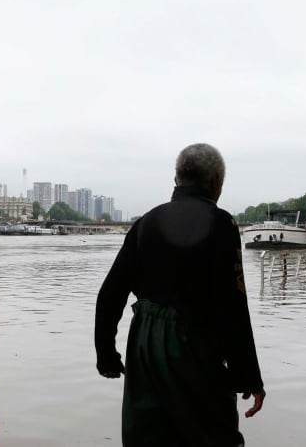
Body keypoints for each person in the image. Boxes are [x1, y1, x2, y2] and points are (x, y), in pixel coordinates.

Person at [95, 143, 265, 446]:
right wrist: (248, 376)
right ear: (215, 182)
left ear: (177, 179)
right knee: (213, 434)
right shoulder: (222, 224)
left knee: (148, 435)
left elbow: (111, 293)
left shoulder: (146, 222)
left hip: (143, 345)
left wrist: (107, 355)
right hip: (190, 345)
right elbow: (232, 307)